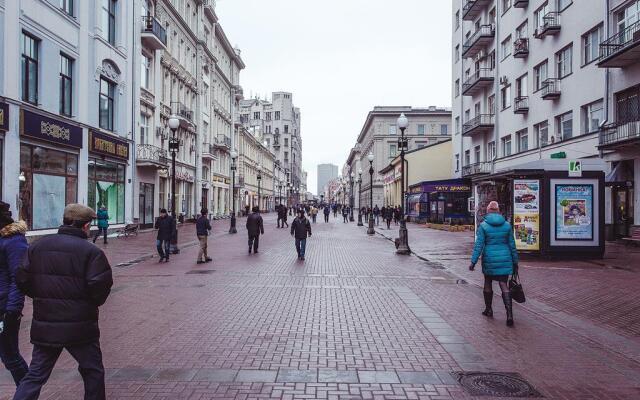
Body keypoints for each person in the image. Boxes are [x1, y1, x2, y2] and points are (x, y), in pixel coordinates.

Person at [14, 204, 113, 400]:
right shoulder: (91, 252)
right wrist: (88, 302)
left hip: (46, 322)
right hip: (80, 325)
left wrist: (42, 295)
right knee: (93, 371)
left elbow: (22, 278)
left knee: (36, 374)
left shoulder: (38, 247)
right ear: (85, 226)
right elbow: (100, 286)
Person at [469, 201, 518, 327]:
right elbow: (512, 245)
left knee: (488, 282)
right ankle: (509, 315)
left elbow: (479, 245)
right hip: (505, 257)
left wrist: (473, 262)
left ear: (488, 210)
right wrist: (515, 262)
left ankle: (489, 309)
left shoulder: (484, 226)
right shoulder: (507, 225)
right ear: (498, 210)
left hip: (490, 258)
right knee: (503, 284)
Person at [0, 202, 29, 387]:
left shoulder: (13, 241)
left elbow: (18, 278)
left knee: (10, 356)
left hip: (4, 308)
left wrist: (11, 311)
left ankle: (27, 392)